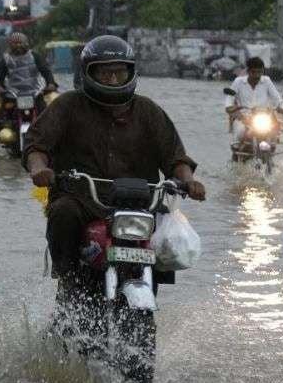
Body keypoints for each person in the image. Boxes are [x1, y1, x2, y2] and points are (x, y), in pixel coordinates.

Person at [23, 35, 207, 299]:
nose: (112, 79)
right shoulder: (67, 105)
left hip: (138, 202)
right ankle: (68, 279)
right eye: (104, 73)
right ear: (88, 73)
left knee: (164, 232)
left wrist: (188, 181)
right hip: (83, 199)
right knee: (63, 212)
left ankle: (149, 280)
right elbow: (36, 146)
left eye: (119, 73)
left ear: (130, 73)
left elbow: (175, 157)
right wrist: (39, 169)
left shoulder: (148, 111)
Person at [226, 57, 283, 146]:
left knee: (274, 134)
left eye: (260, 72)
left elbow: (277, 99)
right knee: (239, 134)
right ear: (248, 71)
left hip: (263, 118)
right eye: (254, 72)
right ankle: (237, 154)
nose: (257, 75)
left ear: (263, 71)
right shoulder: (238, 82)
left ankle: (270, 155)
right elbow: (229, 103)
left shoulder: (267, 81)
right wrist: (232, 108)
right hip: (243, 118)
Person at [0, 32, 58, 111]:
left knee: (44, 112)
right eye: (15, 43)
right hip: (13, 92)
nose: (18, 45)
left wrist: (50, 83)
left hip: (35, 90)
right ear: (10, 45)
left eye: (20, 43)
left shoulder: (35, 56)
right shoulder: (6, 59)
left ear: (26, 43)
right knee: (4, 113)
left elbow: (46, 71)